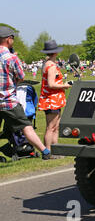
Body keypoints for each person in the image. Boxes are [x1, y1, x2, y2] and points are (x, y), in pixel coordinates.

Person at [0, 26, 55, 160]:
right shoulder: (11, 57)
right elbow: (21, 77)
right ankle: (45, 151)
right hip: (8, 101)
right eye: (12, 38)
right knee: (26, 126)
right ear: (8, 39)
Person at [38, 40, 72, 151]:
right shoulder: (51, 66)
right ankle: (47, 151)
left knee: (55, 127)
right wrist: (64, 85)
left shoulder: (47, 63)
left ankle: (55, 150)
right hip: (51, 99)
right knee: (51, 127)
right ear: (55, 53)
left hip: (54, 99)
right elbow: (51, 84)